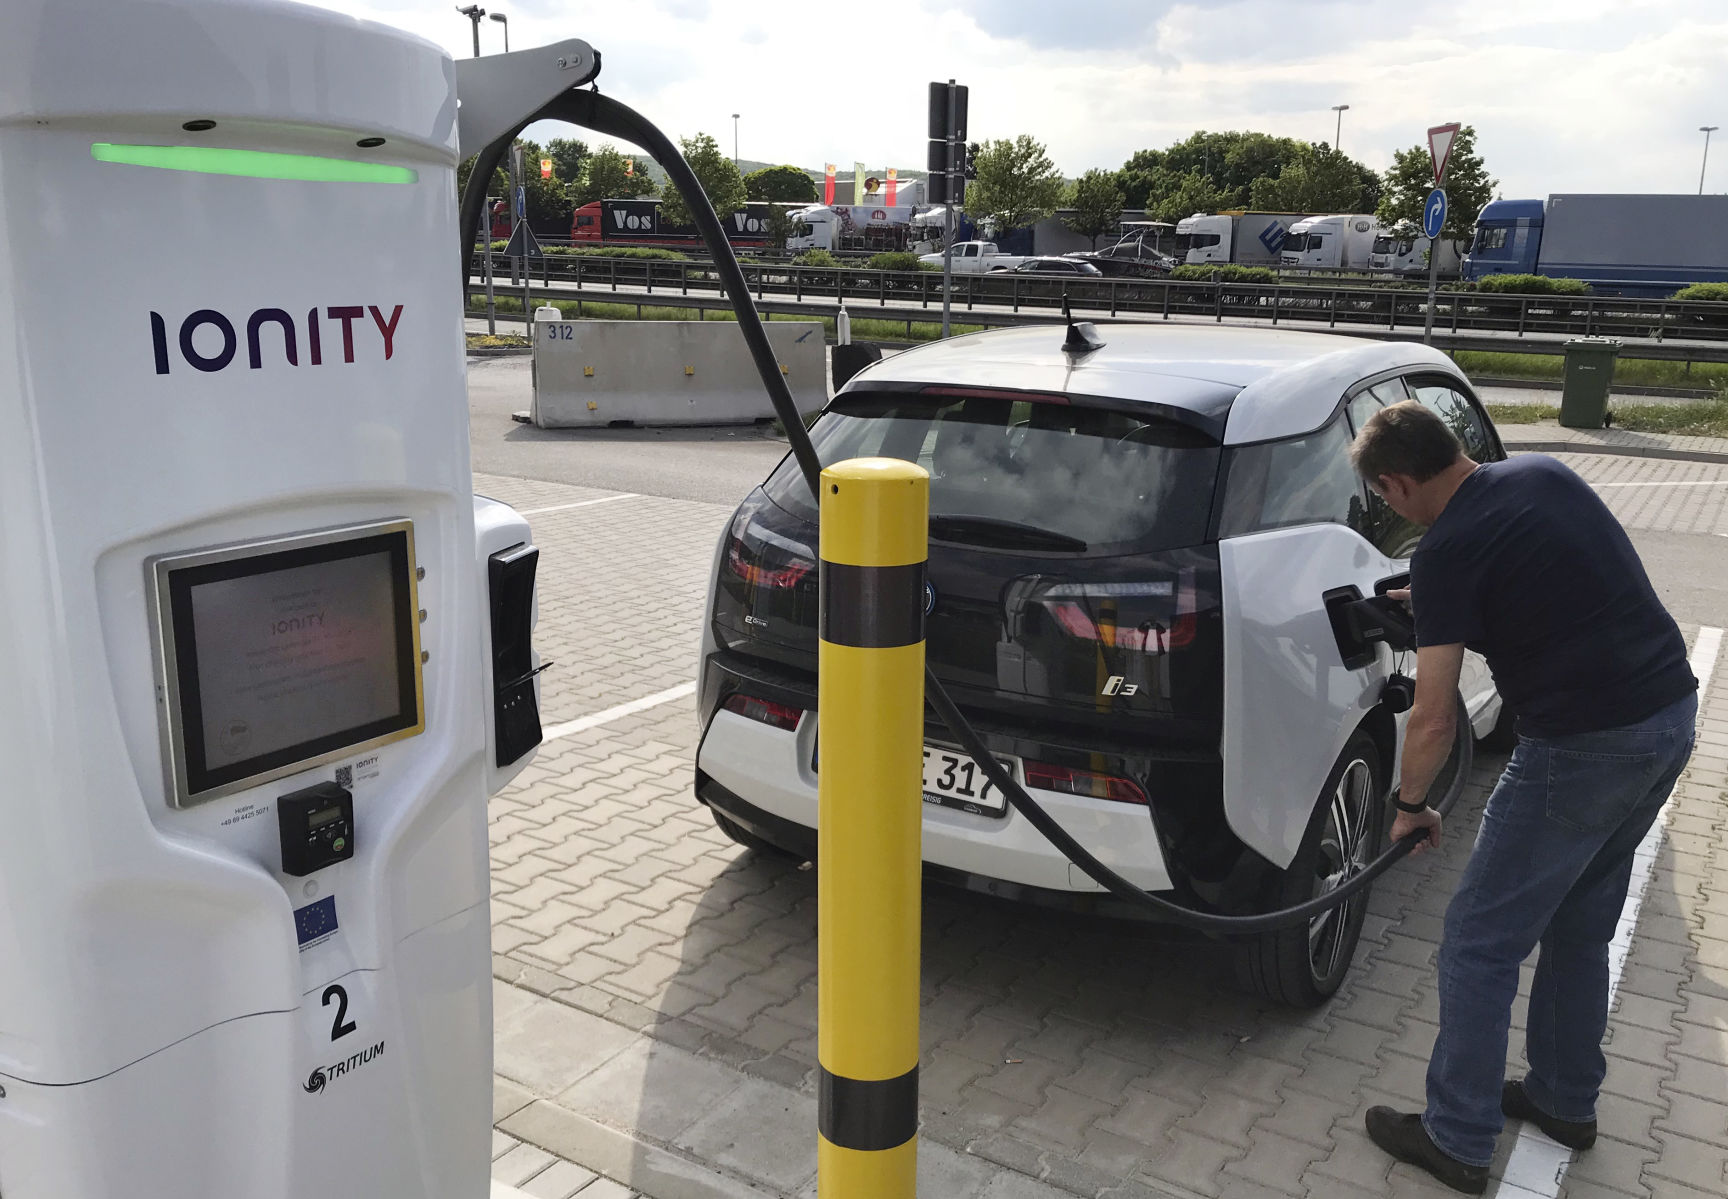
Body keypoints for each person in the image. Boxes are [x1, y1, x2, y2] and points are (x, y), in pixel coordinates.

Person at [1346, 401, 1697, 1194]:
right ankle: (1563, 1099)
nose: (1387, 508)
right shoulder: (1541, 473)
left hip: (1583, 747)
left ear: (1398, 484)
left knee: (1477, 939)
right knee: (1580, 921)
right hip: (1669, 714)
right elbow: (1554, 579)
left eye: (1383, 496)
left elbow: (1434, 717)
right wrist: (1435, 602)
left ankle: (1458, 1136)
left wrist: (1410, 805)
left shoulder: (1448, 553)